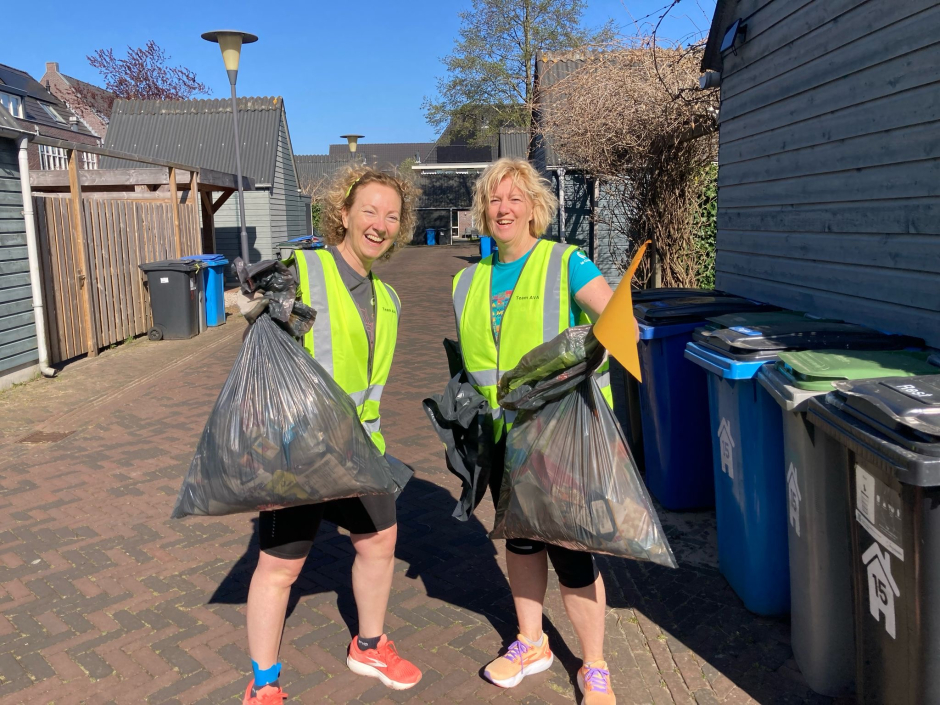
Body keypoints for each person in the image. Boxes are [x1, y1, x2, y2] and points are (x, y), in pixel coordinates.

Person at [239, 166, 422, 704]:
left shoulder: (387, 299)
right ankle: (264, 683)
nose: (380, 223)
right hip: (299, 450)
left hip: (360, 448)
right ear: (343, 214)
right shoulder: (303, 268)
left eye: (391, 215)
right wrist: (260, 307)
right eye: (369, 210)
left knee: (379, 542)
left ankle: (369, 644)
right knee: (279, 568)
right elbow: (253, 325)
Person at [451, 158, 624, 705]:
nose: (504, 208)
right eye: (494, 200)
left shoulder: (564, 262)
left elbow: (621, 328)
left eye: (515, 198)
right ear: (483, 210)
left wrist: (571, 376)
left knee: (571, 551)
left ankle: (594, 665)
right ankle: (531, 642)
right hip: (501, 436)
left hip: (558, 434)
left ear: (534, 208)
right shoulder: (465, 280)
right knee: (521, 541)